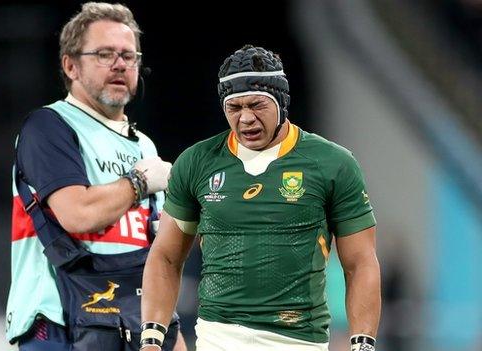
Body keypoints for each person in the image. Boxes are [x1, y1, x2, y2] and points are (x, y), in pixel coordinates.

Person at [141, 45, 381, 351]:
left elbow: (360, 262)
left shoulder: (333, 163)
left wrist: (362, 345)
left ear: (282, 101)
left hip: (298, 341)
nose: (246, 119)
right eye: (234, 108)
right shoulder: (197, 162)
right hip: (217, 338)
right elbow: (166, 255)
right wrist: (151, 338)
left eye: (257, 105)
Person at [5, 3, 186, 350]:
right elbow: (78, 214)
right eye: (104, 54)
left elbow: (155, 257)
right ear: (70, 65)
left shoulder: (145, 146)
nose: (120, 64)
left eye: (129, 56)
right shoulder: (48, 126)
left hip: (134, 325)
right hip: (59, 324)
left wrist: (172, 338)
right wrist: (139, 182)